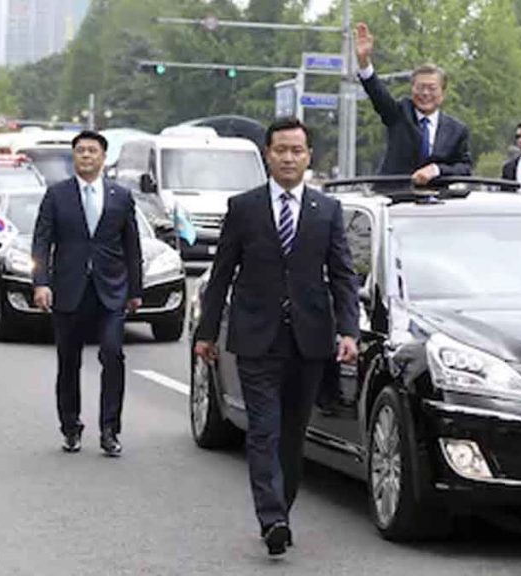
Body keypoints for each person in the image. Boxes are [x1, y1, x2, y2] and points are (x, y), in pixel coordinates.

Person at [193, 117, 359, 557]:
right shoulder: (243, 207)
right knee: (263, 431)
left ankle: (280, 508)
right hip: (255, 338)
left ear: (308, 157)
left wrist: (348, 331)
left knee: (291, 435)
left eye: (296, 151)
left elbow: (343, 276)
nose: (288, 158)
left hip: (309, 341)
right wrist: (206, 333)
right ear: (268, 154)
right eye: (281, 150)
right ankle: (272, 519)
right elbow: (223, 273)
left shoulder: (327, 211)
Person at [31, 130, 143, 457]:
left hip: (111, 290)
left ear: (103, 158)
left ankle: (110, 429)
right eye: (81, 151)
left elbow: (131, 246)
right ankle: (70, 426)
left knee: (113, 354)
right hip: (69, 289)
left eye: (93, 151)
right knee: (69, 361)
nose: (87, 156)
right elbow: (41, 241)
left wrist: (135, 289)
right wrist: (41, 282)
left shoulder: (120, 196)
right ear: (73, 157)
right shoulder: (57, 195)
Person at [354, 22, 472, 183]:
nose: (425, 93)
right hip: (396, 197)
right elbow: (378, 93)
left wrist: (436, 169)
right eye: (420, 87)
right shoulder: (399, 114)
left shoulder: (457, 130)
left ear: (443, 93)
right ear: (412, 89)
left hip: (438, 202)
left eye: (431, 88)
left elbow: (464, 168)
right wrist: (364, 61)